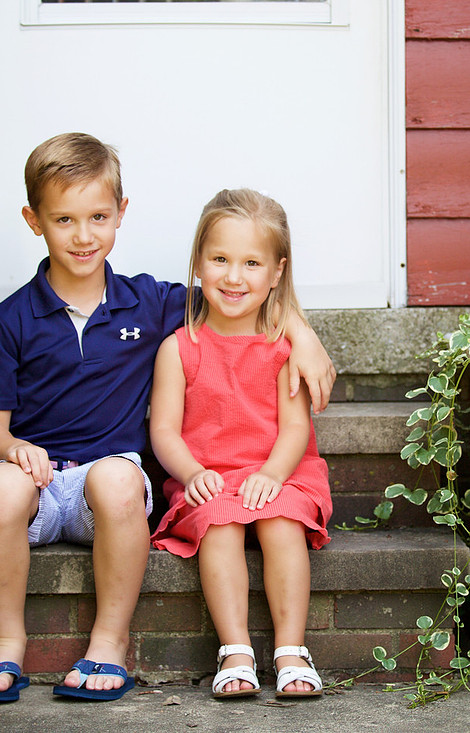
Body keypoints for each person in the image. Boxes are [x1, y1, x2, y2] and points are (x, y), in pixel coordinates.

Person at [0, 135, 335, 704]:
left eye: (98, 217)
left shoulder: (151, 302)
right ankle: (6, 643)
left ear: (120, 215)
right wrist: (13, 448)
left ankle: (108, 643)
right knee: (2, 489)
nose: (83, 235)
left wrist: (302, 335)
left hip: (109, 483)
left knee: (114, 477)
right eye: (64, 219)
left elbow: (238, 295)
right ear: (34, 221)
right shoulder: (9, 320)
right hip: (36, 481)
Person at [149, 189, 331, 700]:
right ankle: (235, 650)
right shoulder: (179, 348)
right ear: (198, 266)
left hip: (279, 470)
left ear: (276, 272)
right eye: (221, 260)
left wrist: (272, 475)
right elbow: (163, 429)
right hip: (208, 473)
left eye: (251, 263)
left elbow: (295, 429)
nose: (234, 277)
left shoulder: (282, 347)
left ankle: (292, 649)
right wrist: (190, 474)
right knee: (220, 525)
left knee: (280, 522)